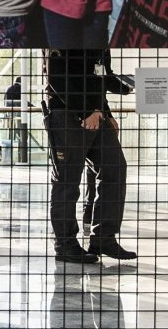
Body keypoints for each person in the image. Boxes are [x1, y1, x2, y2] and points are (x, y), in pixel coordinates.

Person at [44, 48, 134, 263]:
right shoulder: (64, 38)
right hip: (68, 114)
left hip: (97, 114)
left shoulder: (101, 42)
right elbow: (56, 77)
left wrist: (109, 110)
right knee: (67, 180)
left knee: (115, 169)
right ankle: (65, 244)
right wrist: (85, 111)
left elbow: (101, 77)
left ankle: (104, 238)